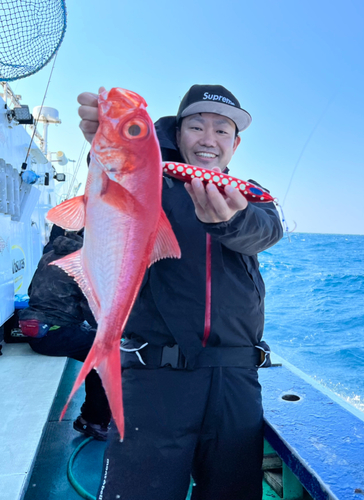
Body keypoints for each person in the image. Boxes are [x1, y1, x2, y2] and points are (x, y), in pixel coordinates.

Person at [78, 84, 283, 500]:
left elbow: (266, 230)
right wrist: (116, 137)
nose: (209, 139)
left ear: (235, 143)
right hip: (154, 379)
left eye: (222, 131)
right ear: (176, 132)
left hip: (235, 382)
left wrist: (231, 220)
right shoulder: (153, 180)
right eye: (196, 126)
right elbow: (118, 183)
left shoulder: (251, 195)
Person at [18, 230, 111, 440]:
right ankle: (93, 421)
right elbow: (91, 308)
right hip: (56, 334)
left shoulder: (48, 255)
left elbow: (32, 290)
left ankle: (93, 416)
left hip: (37, 333)